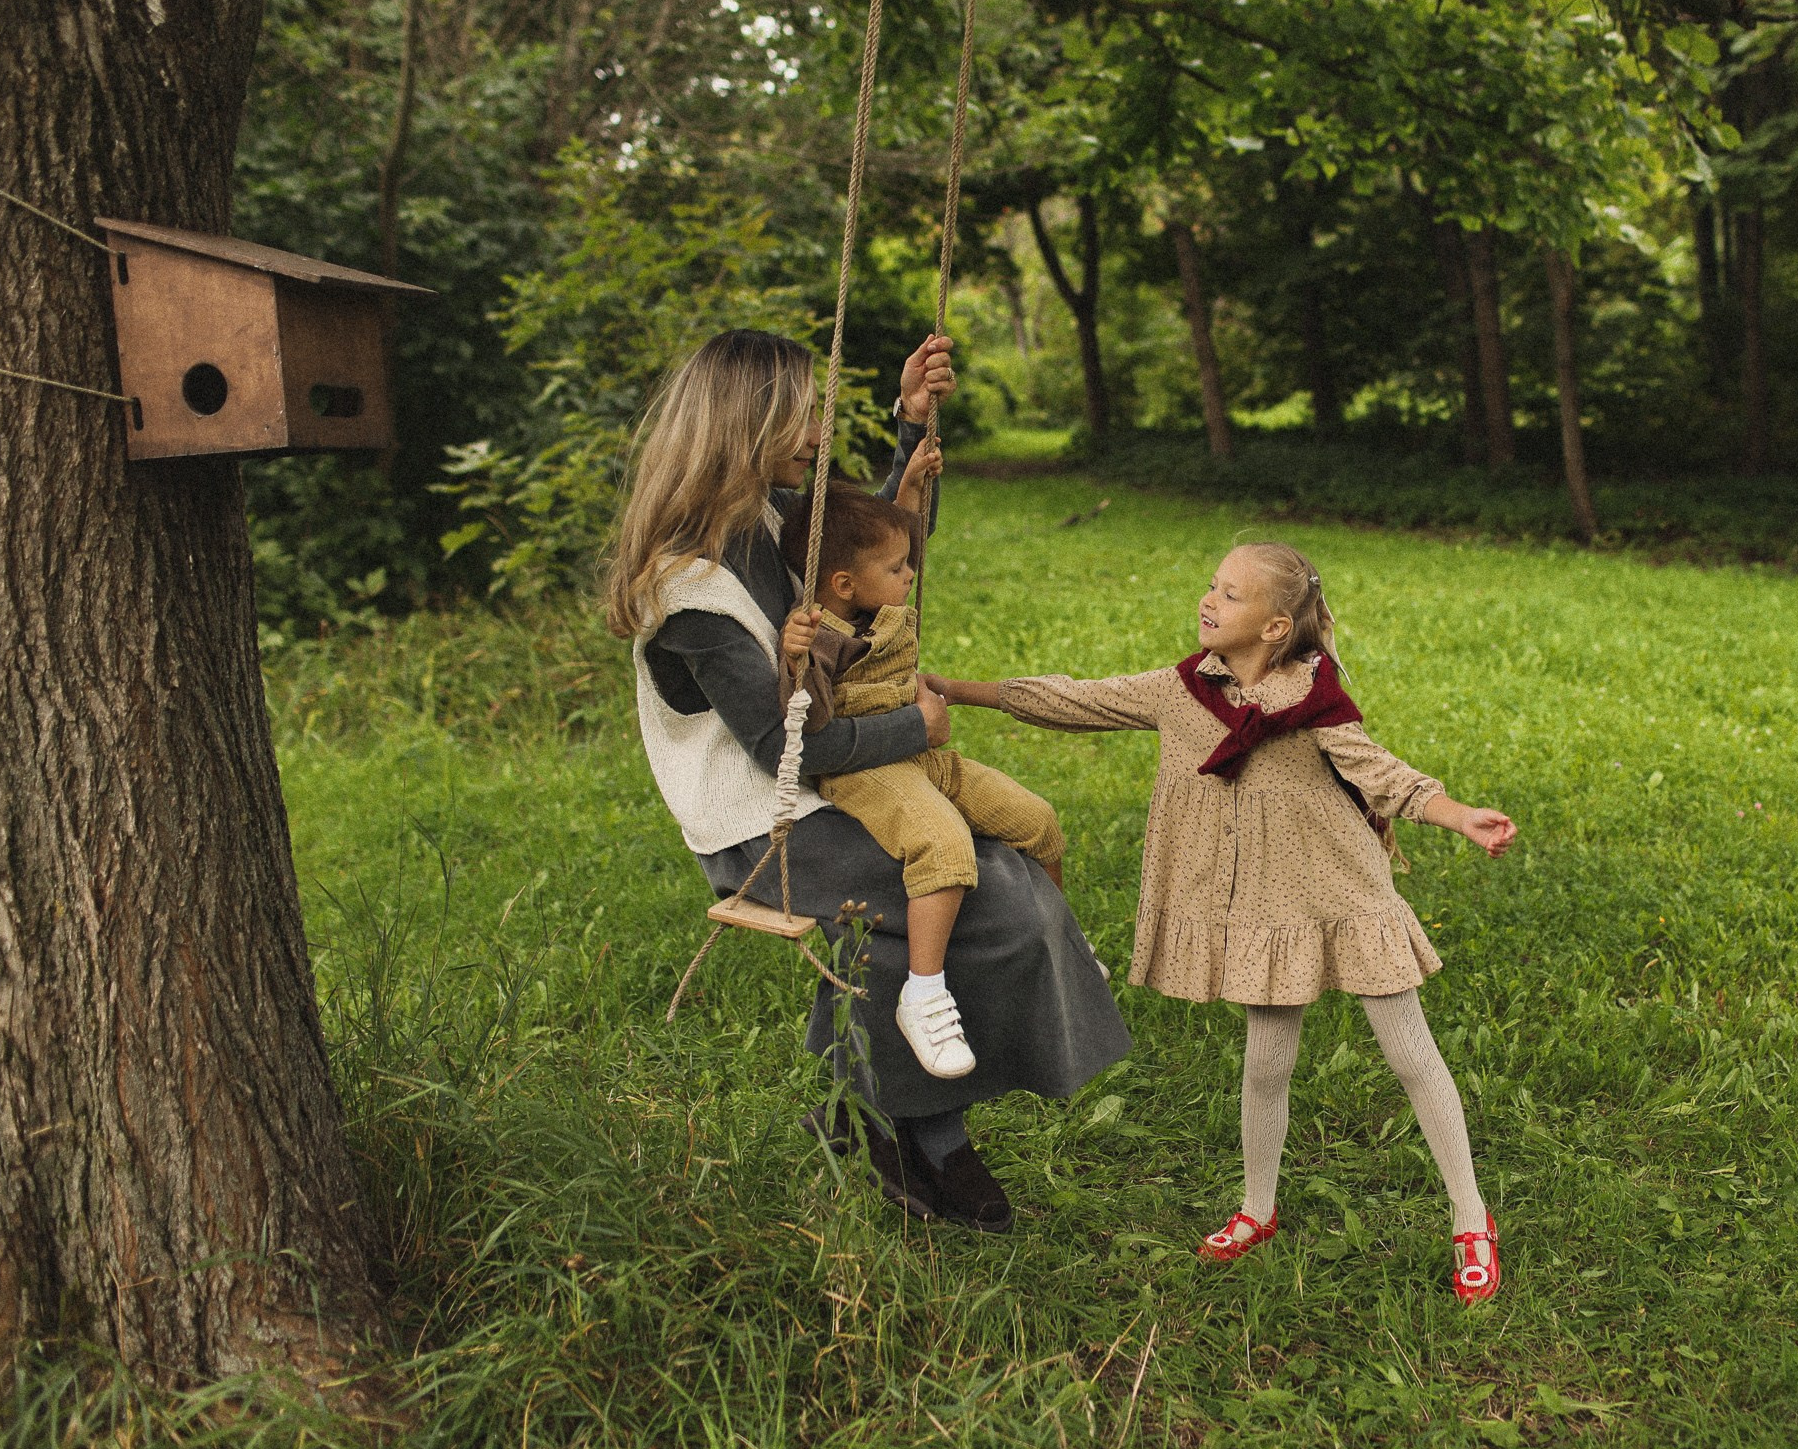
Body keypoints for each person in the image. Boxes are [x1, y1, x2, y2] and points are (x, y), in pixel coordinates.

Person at [605, 328, 1128, 1233]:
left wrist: (908, 430)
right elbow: (780, 750)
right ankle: (908, 1127)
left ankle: (898, 1123)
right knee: (989, 895)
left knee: (980, 874)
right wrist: (912, 725)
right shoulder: (689, 588)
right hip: (761, 823)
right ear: (750, 421)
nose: (817, 424)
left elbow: (859, 552)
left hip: (846, 780)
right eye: (804, 410)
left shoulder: (765, 521)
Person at [932, 541, 1518, 1300]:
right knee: (1267, 1059)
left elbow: (1386, 776)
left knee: (1410, 1054)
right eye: (1212, 585)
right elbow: (1073, 698)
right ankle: (1257, 1208)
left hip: (1343, 894)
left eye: (1232, 595)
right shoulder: (1180, 691)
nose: (1210, 600)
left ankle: (1471, 1218)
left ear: (1276, 627)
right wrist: (954, 687)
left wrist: (1460, 814)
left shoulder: (1314, 700)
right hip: (1265, 911)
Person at [776, 480, 1068, 1080]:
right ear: (844, 585)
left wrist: (911, 478)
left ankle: (1059, 945)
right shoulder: (818, 636)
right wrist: (793, 659)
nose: (911, 573)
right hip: (865, 771)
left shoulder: (872, 601)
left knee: (1037, 822)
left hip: (922, 756)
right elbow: (807, 722)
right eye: (897, 567)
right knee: (943, 843)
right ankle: (925, 992)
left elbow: (901, 529)